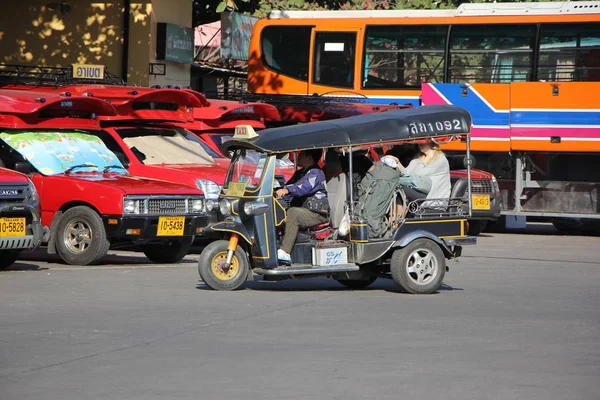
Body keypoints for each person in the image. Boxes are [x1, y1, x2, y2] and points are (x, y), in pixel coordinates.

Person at [274, 149, 329, 263]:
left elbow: (302, 188)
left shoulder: (316, 173)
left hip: (317, 214)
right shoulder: (300, 173)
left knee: (293, 212)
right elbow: (288, 185)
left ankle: (285, 251)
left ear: (309, 158)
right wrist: (276, 190)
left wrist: (286, 190)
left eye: (301, 154)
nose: (298, 156)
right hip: (305, 211)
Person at [392, 139, 451, 216]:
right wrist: (397, 162)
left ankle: (396, 220)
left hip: (432, 197)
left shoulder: (441, 159)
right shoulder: (418, 157)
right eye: (418, 142)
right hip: (419, 190)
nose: (420, 144)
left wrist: (398, 180)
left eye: (423, 141)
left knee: (403, 190)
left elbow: (419, 176)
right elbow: (406, 173)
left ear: (432, 143)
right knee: (397, 189)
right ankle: (394, 219)